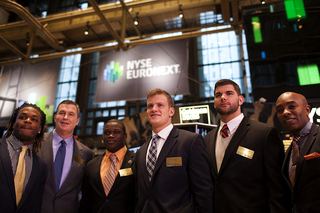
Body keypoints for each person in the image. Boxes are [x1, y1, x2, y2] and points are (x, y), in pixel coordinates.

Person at [204, 79, 290, 213]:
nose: (223, 98)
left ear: (240, 99)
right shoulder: (207, 139)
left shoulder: (264, 134)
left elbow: (277, 188)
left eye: (229, 93)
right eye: (218, 95)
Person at [135, 88, 213, 212]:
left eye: (160, 105)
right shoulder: (141, 151)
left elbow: (203, 191)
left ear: (171, 111)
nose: (154, 109)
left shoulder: (190, 142)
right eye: (150, 106)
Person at [37, 100, 94, 213]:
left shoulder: (87, 154)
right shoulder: (36, 143)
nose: (65, 117)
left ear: (77, 121)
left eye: (71, 114)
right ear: (55, 117)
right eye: (62, 113)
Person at [276, 92, 320, 212]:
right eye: (280, 110)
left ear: (307, 110)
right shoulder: (290, 150)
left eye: (292, 106)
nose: (285, 112)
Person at [0, 103, 48, 213]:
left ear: (39, 129)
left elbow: (35, 205)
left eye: (34, 119)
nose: (28, 120)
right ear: (13, 123)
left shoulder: (41, 166)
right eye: (22, 117)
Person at [80, 119, 135, 213]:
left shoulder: (136, 161)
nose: (111, 135)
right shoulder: (91, 165)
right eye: (107, 132)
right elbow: (86, 200)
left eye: (116, 132)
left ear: (125, 136)